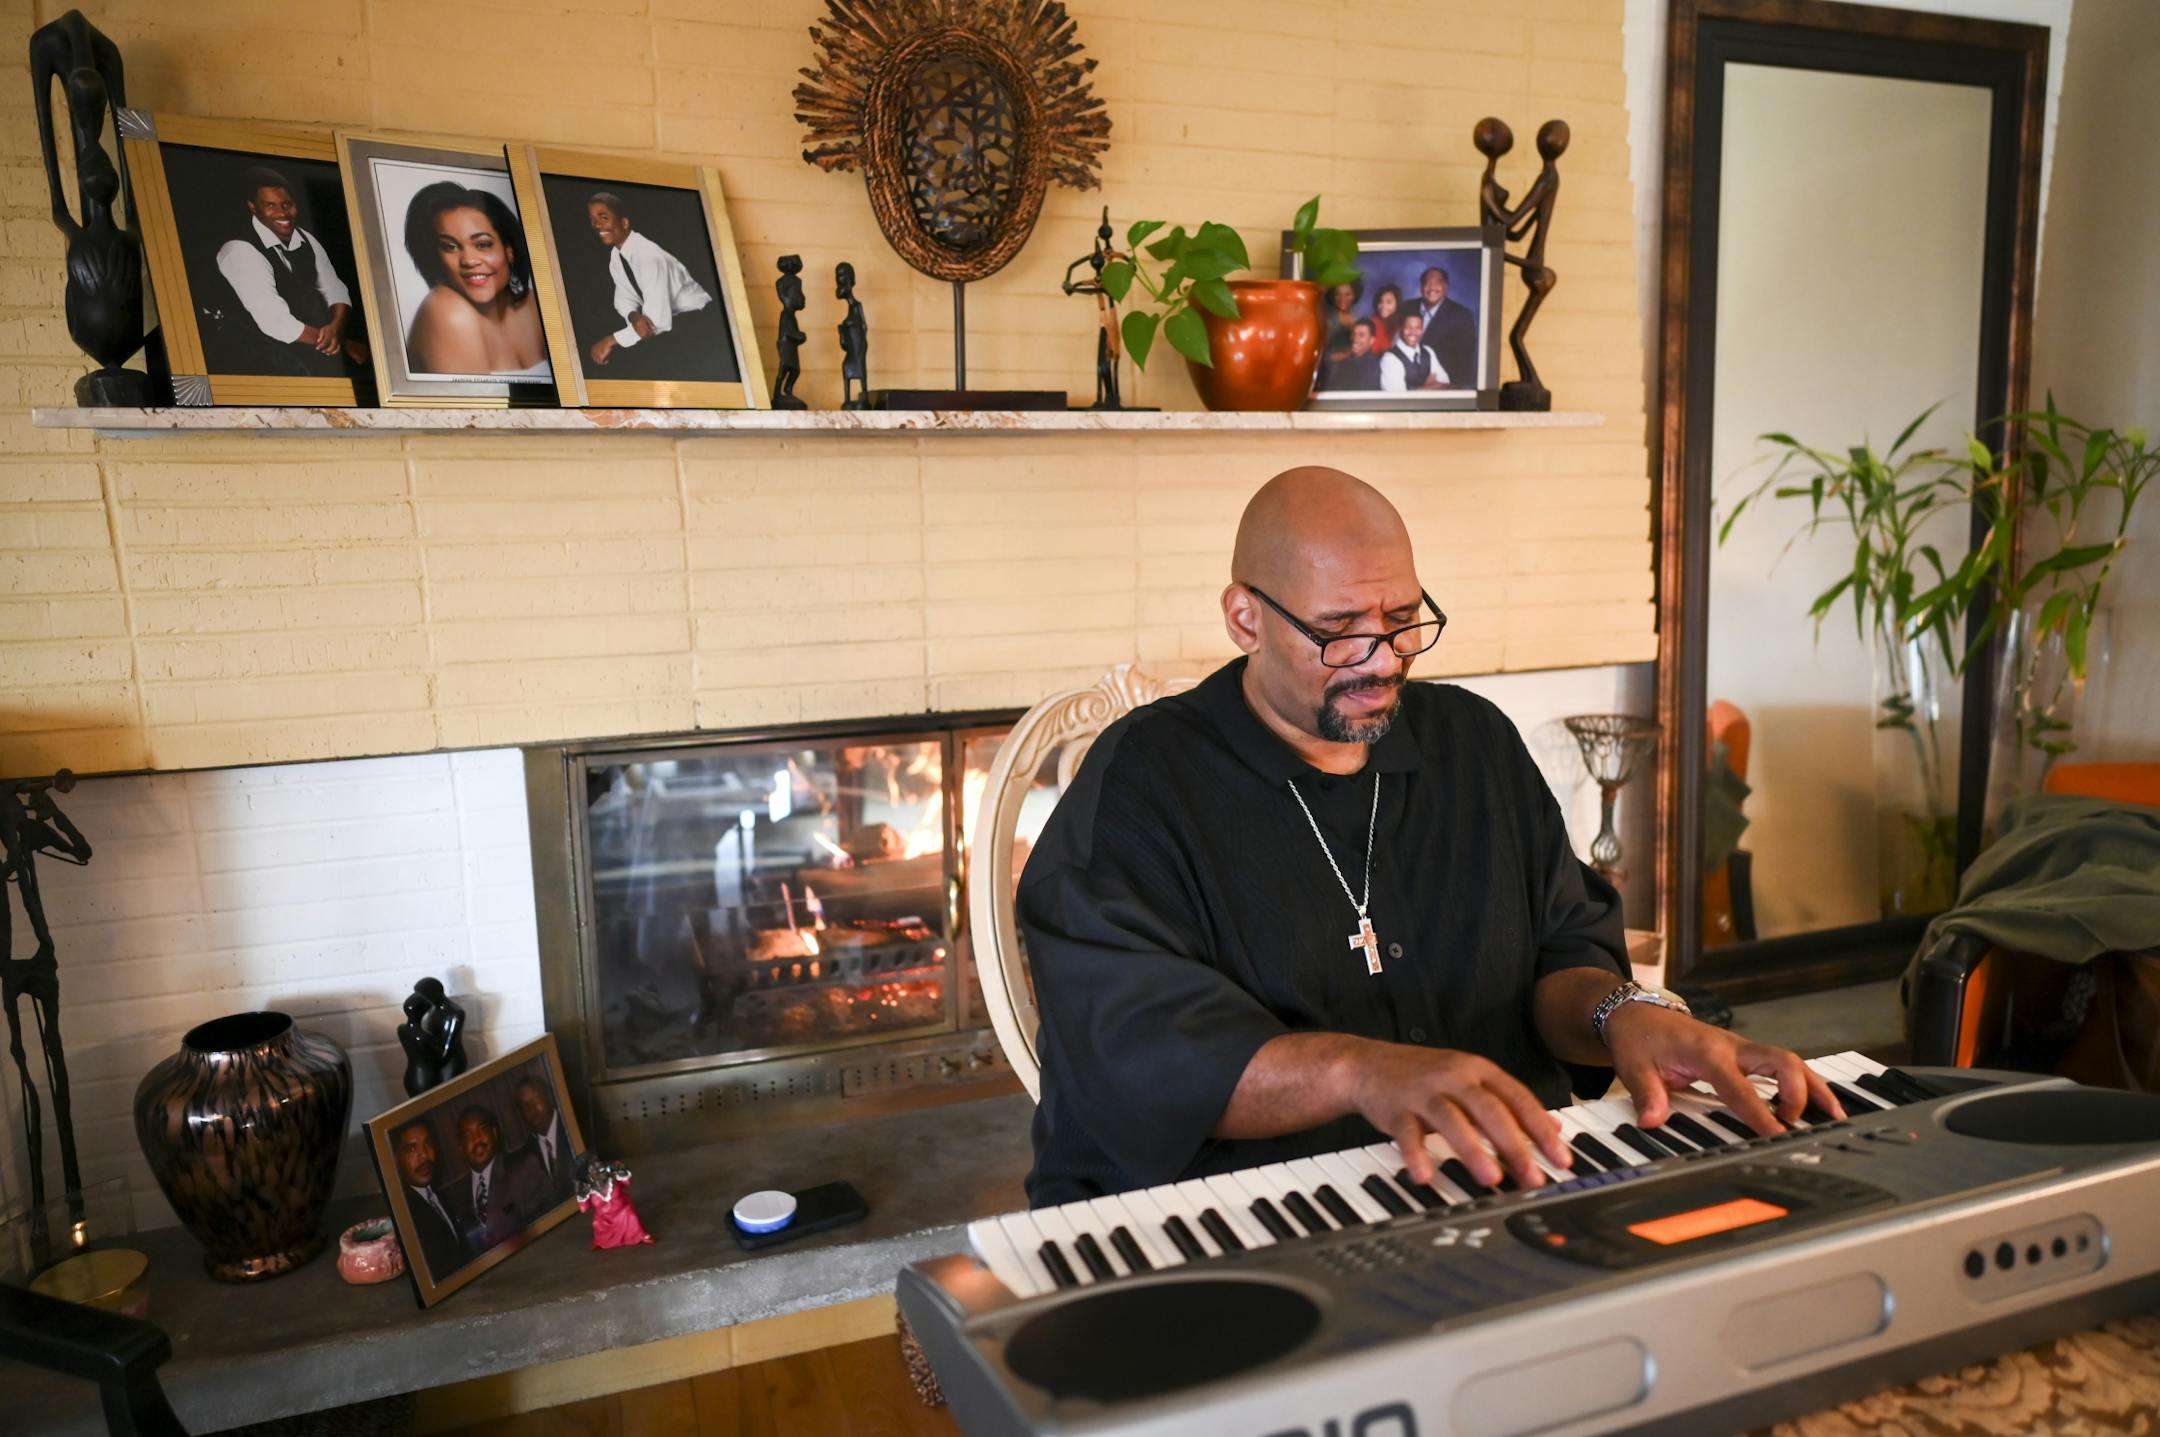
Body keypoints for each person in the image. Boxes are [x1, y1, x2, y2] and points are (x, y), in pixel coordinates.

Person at [1018, 467, 1841, 1206]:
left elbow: (1562, 953)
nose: (1383, 658)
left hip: (1495, 1177)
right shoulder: (1141, 784)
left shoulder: (1473, 742)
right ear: (1245, 619)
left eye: (1405, 618)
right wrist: (1364, 1069)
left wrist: (1622, 1011)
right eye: (1340, 627)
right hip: (1244, 1205)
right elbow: (1141, 1060)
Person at [209, 166, 367, 376]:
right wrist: (341, 344)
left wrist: (337, 328)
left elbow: (335, 289)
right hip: (251, 354)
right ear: (253, 207)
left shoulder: (306, 239)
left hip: (305, 344)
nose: (282, 213)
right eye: (270, 205)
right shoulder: (239, 250)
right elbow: (276, 323)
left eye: (287, 204)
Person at [401, 180, 547, 379]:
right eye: (450, 246)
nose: (468, 260)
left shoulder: (533, 304)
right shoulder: (446, 311)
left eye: (483, 244)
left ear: (509, 250)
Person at [581, 191, 726, 381]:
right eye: (593, 219)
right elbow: (624, 298)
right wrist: (635, 316)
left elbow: (656, 323)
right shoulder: (616, 256)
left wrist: (610, 340)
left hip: (701, 323)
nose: (597, 225)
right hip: (672, 325)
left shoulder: (648, 256)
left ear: (624, 223)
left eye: (604, 217)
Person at [448, 1103, 553, 1255]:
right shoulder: (454, 1197)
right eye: (468, 1135)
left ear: (495, 1134)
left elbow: (547, 1226)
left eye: (482, 1130)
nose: (477, 1140)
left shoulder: (525, 1169)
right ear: (461, 1148)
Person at [390, 1117, 467, 1279]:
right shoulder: (404, 1213)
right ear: (397, 1160)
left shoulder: (437, 1195)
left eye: (428, 1143)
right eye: (411, 1149)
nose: (424, 1156)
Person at [1409, 265, 1478, 391]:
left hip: (1441, 386)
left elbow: (1464, 359)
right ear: (1421, 287)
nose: (1432, 288)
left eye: (1437, 283)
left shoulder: (1461, 315)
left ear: (1446, 288)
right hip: (1405, 382)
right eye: (1427, 283)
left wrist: (1453, 389)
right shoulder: (1407, 307)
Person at [514, 1075, 576, 1205]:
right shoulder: (524, 1159)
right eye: (525, 1106)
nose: (532, 1109)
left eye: (536, 1098)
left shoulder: (573, 1126)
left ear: (549, 1096)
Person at [1377, 310, 1444, 392]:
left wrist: (1413, 390)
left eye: (1417, 328)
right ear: (1400, 328)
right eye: (1408, 327)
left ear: (1422, 330)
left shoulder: (1428, 351)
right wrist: (1430, 386)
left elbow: (1445, 384)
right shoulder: (1390, 358)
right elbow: (1399, 398)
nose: (1413, 332)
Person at [1316, 280, 1362, 389]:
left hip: (1352, 373)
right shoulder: (1328, 320)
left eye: (1347, 294)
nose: (1342, 299)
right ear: (1333, 296)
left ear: (1354, 296)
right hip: (1331, 375)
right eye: (1338, 294)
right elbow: (1322, 356)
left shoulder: (1357, 317)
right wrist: (1348, 354)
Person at [1325, 318, 1382, 391]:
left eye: (1361, 335)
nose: (1355, 339)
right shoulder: (1345, 360)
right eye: (1354, 334)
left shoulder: (1372, 368)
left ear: (1371, 340)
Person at [1368, 283, 1401, 349]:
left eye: (1389, 302)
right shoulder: (1371, 323)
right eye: (1381, 301)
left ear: (1397, 304)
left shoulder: (1401, 324)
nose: (1383, 306)